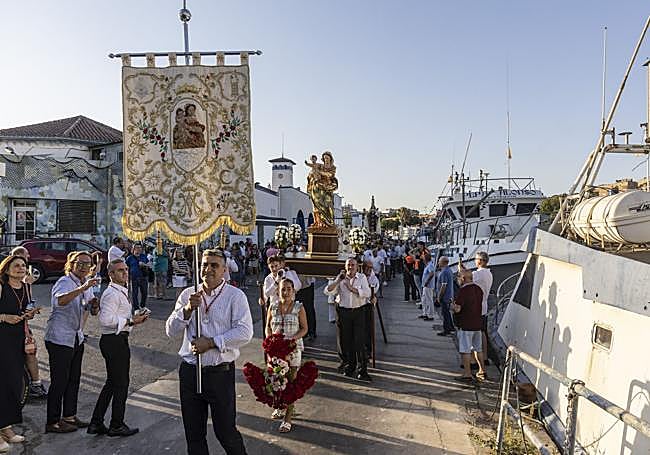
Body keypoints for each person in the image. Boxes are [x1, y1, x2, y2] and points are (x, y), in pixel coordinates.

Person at [165, 249, 253, 455]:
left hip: (219, 373)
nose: (208, 269)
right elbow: (170, 330)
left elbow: (245, 332)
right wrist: (186, 310)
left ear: (224, 270)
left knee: (226, 432)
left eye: (214, 265)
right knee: (194, 434)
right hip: (190, 372)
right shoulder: (188, 294)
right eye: (205, 264)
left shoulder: (235, 296)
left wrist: (212, 342)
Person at [88, 259, 149, 437]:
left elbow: (118, 316)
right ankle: (116, 424)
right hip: (114, 341)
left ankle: (96, 422)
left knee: (112, 383)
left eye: (126, 269)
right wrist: (131, 321)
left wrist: (134, 319)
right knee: (121, 384)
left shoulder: (121, 291)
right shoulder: (112, 293)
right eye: (120, 270)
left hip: (117, 340)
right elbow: (105, 320)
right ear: (111, 274)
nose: (125, 273)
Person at [45, 251, 100, 433]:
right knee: (59, 381)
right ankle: (52, 421)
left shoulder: (85, 283)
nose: (84, 267)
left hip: (77, 337)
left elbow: (91, 310)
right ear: (71, 263)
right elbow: (60, 301)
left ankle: (69, 416)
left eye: (88, 264)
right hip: (60, 338)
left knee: (73, 379)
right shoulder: (65, 282)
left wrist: (94, 305)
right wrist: (83, 288)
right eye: (80, 263)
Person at [0, 255, 38, 450]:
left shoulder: (24, 288)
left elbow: (25, 312)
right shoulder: (1, 287)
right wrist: (5, 317)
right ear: (6, 270)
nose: (21, 268)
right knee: (2, 385)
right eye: (16, 266)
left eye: (23, 266)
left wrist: (29, 314)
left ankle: (6, 428)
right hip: (1, 340)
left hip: (17, 341)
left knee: (14, 384)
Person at [265, 278, 308, 433]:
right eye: (283, 289)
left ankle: (288, 417)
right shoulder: (273, 306)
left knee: (290, 383)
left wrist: (292, 339)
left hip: (293, 350)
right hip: (276, 352)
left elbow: (304, 329)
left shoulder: (299, 308)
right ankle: (280, 406)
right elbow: (268, 327)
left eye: (289, 289)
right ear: (278, 291)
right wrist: (270, 341)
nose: (286, 292)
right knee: (276, 382)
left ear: (293, 291)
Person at [9, 246, 48, 399]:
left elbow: (27, 304)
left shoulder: (24, 282)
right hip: (11, 328)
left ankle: (34, 384)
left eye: (23, 265)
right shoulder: (7, 284)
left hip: (21, 326)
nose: (29, 256)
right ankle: (35, 385)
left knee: (29, 352)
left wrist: (30, 312)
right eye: (25, 256)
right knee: (28, 354)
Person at [326, 257, 372, 381]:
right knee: (347, 340)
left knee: (359, 341)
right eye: (348, 265)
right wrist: (338, 281)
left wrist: (353, 289)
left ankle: (362, 370)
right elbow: (328, 291)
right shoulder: (340, 278)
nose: (350, 267)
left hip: (358, 311)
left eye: (353, 265)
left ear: (357, 267)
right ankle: (350, 366)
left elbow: (367, 293)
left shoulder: (361, 278)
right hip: (343, 312)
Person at [452, 270, 486, 382]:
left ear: (463, 278)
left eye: (459, 277)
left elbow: (458, 309)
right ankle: (482, 370)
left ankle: (467, 374)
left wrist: (452, 306)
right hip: (477, 323)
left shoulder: (463, 291)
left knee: (465, 350)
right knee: (478, 349)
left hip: (466, 324)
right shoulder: (479, 289)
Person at [464, 251, 493, 367]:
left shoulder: (479, 274)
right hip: (484, 306)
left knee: (472, 334)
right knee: (482, 332)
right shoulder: (488, 273)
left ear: (480, 261)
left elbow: (465, 280)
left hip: (475, 307)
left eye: (476, 259)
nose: (475, 261)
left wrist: (462, 271)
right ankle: (485, 357)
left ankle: (473, 360)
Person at [362, 261, 379, 360]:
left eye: (370, 268)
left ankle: (368, 350)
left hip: (367, 306)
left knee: (368, 330)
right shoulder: (359, 277)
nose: (368, 270)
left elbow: (372, 290)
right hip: (359, 305)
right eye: (366, 267)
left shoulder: (373, 278)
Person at [125, 244, 149, 312]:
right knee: (134, 294)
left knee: (144, 293)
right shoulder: (129, 258)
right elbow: (126, 268)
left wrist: (144, 264)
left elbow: (149, 265)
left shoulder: (144, 257)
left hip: (143, 277)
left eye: (140, 248)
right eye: (137, 248)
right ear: (133, 249)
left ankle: (142, 306)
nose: (139, 249)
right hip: (134, 278)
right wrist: (127, 278)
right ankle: (136, 308)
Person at [435, 256, 455, 336]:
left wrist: (439, 297)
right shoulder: (449, 270)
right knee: (447, 313)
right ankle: (451, 327)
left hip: (445, 297)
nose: (438, 263)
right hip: (449, 295)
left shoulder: (444, 272)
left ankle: (446, 330)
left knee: (445, 313)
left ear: (443, 262)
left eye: (439, 261)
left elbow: (443, 286)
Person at [296, 275, 316, 340]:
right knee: (297, 310)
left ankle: (311, 331)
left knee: (309, 309)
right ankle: (302, 332)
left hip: (306, 285)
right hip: (296, 286)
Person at [419, 253, 436, 321]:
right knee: (424, 300)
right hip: (425, 286)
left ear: (425, 259)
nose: (422, 259)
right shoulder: (428, 265)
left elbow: (432, 274)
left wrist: (427, 282)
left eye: (423, 258)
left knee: (429, 300)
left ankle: (430, 315)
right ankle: (425, 313)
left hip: (428, 286)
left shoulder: (430, 265)